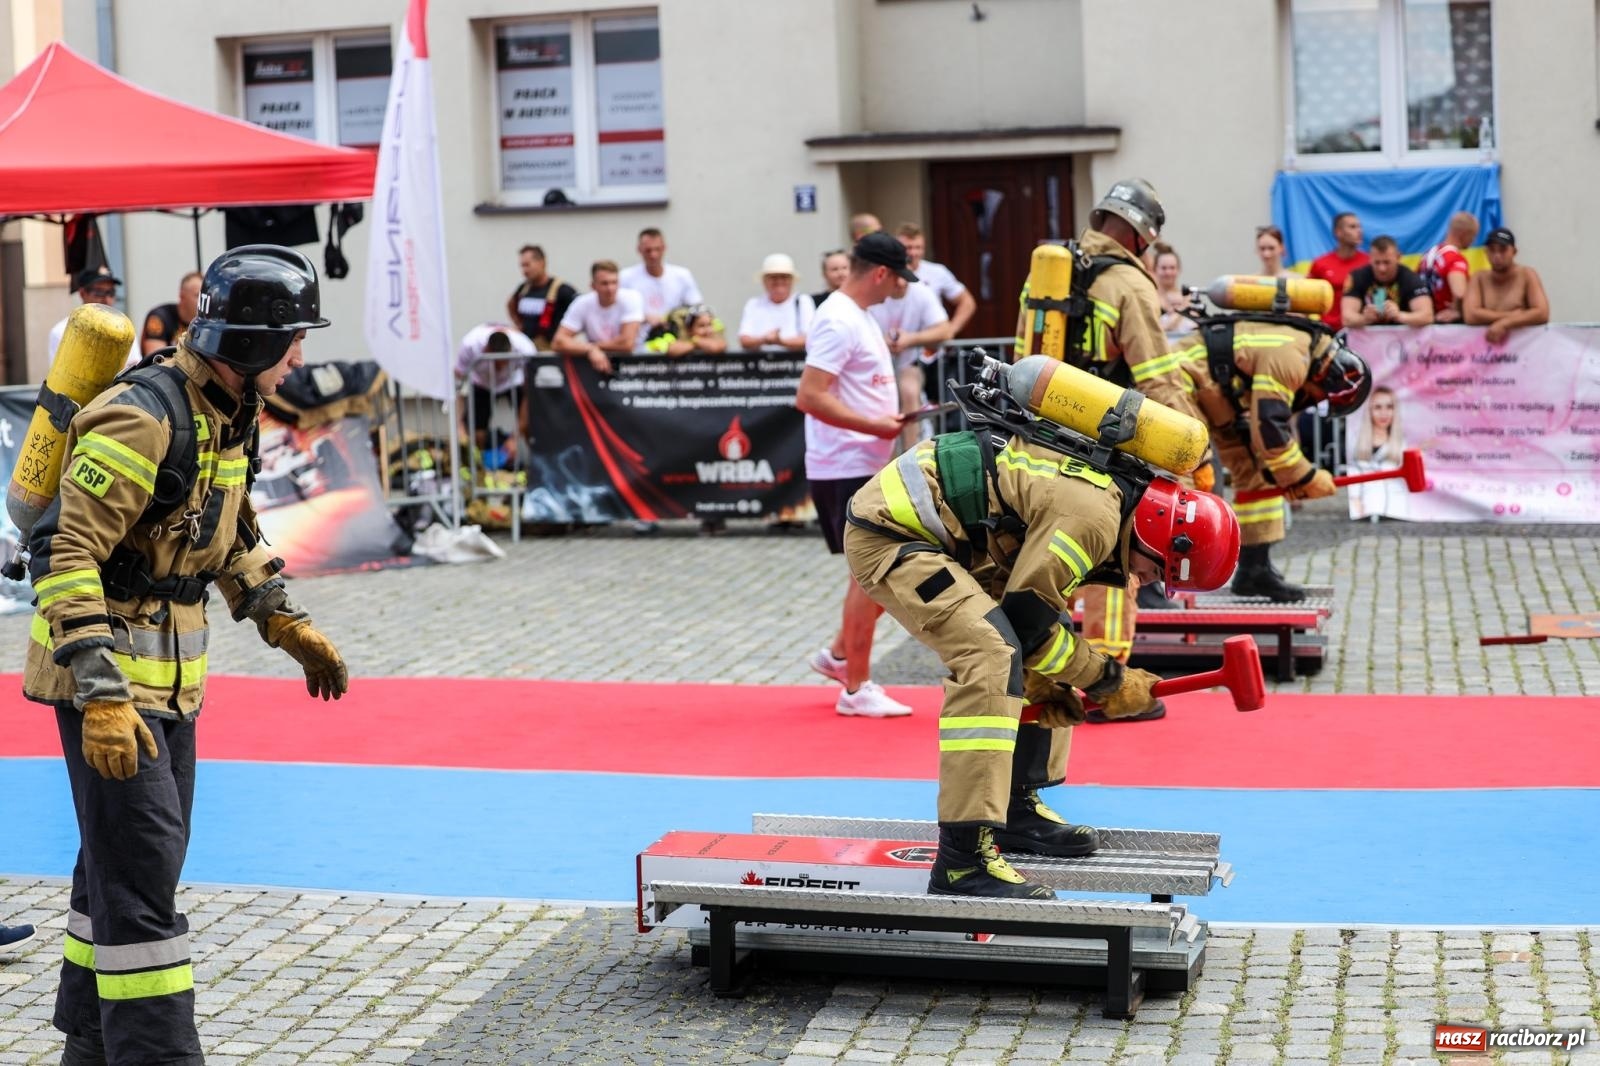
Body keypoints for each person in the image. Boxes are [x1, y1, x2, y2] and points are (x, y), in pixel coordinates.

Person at [24, 245, 348, 1065]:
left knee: (123, 871)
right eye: (293, 340)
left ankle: (90, 1049)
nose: (301, 356)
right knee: (142, 886)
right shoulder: (144, 416)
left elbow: (224, 534)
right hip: (107, 688)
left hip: (169, 690)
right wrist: (99, 697)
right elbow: (64, 556)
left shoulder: (226, 416)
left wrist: (283, 621)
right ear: (247, 346)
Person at [843, 413, 1240, 896]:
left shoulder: (1116, 503)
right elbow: (1028, 632)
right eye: (1160, 572)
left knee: (1041, 648)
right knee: (991, 654)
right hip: (893, 531)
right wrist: (1109, 680)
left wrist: (1063, 677)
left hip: (963, 536)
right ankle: (961, 862)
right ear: (1158, 535)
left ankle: (1013, 808)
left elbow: (1037, 614)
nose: (1148, 581)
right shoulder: (1093, 521)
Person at [1024, 178, 1213, 715]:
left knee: (1044, 557)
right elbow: (1156, 377)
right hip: (1104, 443)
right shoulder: (1129, 283)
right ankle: (1106, 690)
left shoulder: (1048, 270)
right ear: (1137, 232)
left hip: (1034, 436)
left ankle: (1044, 679)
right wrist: (1193, 448)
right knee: (1112, 562)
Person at [794, 232, 916, 718]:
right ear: (881, 273)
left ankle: (840, 657)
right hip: (845, 464)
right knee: (872, 574)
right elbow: (810, 396)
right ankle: (855, 685)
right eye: (898, 279)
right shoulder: (839, 320)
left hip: (861, 461)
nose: (899, 289)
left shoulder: (857, 315)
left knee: (873, 571)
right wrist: (874, 425)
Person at [1179, 321, 1372, 600]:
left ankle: (1253, 570)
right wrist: (1306, 477)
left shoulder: (1304, 353)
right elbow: (1269, 429)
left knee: (1259, 472)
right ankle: (1149, 583)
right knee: (1184, 477)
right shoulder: (1292, 358)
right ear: (1327, 377)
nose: (1312, 400)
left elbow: (1266, 435)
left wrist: (1289, 477)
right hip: (1183, 381)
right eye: (1320, 396)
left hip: (1215, 393)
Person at [866, 268, 952, 450]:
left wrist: (910, 339)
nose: (899, 284)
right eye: (895, 278)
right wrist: (881, 341)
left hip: (909, 362)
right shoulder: (872, 293)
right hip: (875, 364)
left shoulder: (921, 292)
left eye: (903, 278)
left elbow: (945, 330)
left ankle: (910, 453)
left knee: (909, 391)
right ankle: (883, 458)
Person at [455, 323, 535, 463]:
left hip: (513, 382)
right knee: (476, 433)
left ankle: (538, 467)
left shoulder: (525, 348)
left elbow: (529, 396)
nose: (500, 369)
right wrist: (459, 425)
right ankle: (478, 470)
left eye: (504, 363)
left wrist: (514, 439)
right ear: (486, 351)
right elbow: (456, 386)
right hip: (482, 383)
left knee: (531, 427)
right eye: (497, 364)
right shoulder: (470, 345)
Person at [551, 260, 645, 375]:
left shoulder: (631, 298)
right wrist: (590, 350)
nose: (610, 288)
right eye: (604, 283)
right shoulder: (582, 303)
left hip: (634, 368)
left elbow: (627, 343)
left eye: (614, 282)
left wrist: (593, 348)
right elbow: (558, 342)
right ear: (593, 286)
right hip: (597, 368)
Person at [1463, 227, 1550, 345]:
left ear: (1514, 251)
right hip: (1487, 353)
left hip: (1523, 349)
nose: (1497, 255)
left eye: (1503, 250)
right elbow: (1471, 315)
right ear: (1486, 252)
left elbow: (1542, 313)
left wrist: (1505, 323)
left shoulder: (1526, 274)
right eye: (1492, 250)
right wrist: (1512, 316)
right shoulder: (1479, 278)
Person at [47, 266, 140, 370]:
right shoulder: (61, 330)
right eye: (99, 292)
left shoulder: (125, 329)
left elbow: (134, 367)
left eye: (111, 292)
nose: (106, 299)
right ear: (83, 293)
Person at [619, 228, 703, 341]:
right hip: (639, 345)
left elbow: (696, 308)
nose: (653, 255)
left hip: (676, 343)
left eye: (657, 249)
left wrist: (673, 319)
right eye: (648, 250)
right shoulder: (625, 277)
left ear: (664, 248)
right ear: (639, 250)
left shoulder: (682, 275)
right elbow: (618, 310)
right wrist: (644, 317)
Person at [895, 223, 977, 336]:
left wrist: (950, 331)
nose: (913, 253)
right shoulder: (890, 273)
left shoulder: (937, 272)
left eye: (918, 247)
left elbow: (967, 302)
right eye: (908, 248)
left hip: (931, 348)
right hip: (896, 345)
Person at [1341, 235, 1434, 328]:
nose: (1382, 268)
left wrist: (1400, 316)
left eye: (1387, 262)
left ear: (1398, 257)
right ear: (1369, 258)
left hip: (1403, 339)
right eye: (1377, 262)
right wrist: (1364, 318)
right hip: (1366, 339)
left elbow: (1427, 316)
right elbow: (1347, 318)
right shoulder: (1357, 277)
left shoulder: (1410, 278)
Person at [737, 254, 815, 352]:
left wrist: (779, 341)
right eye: (773, 277)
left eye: (784, 277)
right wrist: (765, 339)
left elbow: (809, 339)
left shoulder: (803, 301)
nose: (779, 281)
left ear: (792, 280)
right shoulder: (753, 304)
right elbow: (744, 340)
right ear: (764, 281)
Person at [506, 245, 577, 349]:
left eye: (527, 265)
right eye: (522, 266)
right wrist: (519, 324)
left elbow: (581, 312)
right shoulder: (523, 288)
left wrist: (566, 337)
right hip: (526, 349)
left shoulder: (561, 289)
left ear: (542, 263)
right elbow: (510, 304)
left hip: (551, 352)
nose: (524, 270)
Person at [1349, 385, 1403, 520]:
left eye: (1389, 407)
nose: (1383, 413)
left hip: (1398, 508)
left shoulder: (1403, 443)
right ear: (1369, 411)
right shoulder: (1356, 441)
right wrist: (1355, 499)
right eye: (1377, 407)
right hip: (1364, 507)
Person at [1307, 212, 1369, 331]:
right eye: (1352, 227)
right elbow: (1307, 300)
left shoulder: (1369, 263)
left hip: (1361, 331)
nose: (1359, 231)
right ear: (1338, 232)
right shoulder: (1320, 264)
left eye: (1359, 226)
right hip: (1327, 331)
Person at [1419, 212, 1479, 323]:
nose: (1473, 240)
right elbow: (1459, 292)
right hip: (1446, 321)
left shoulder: (1427, 255)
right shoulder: (1455, 259)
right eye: (1473, 235)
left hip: (1427, 318)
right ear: (1464, 234)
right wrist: (1457, 311)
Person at [139, 272, 203, 357]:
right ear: (182, 296)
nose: (202, 301)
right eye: (197, 295)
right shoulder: (159, 317)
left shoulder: (206, 323)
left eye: (205, 296)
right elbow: (156, 360)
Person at [644, 303, 727, 357]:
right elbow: (672, 350)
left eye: (709, 325)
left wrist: (696, 342)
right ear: (689, 329)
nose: (707, 330)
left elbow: (717, 347)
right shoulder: (681, 339)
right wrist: (695, 343)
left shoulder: (717, 339)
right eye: (701, 326)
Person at [1152, 243, 1195, 336]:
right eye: (1163, 268)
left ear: (1179, 270)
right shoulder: (1150, 297)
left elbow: (1195, 328)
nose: (1168, 272)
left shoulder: (1187, 297)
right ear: (1155, 269)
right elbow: (1155, 331)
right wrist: (1183, 309)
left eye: (1172, 268)